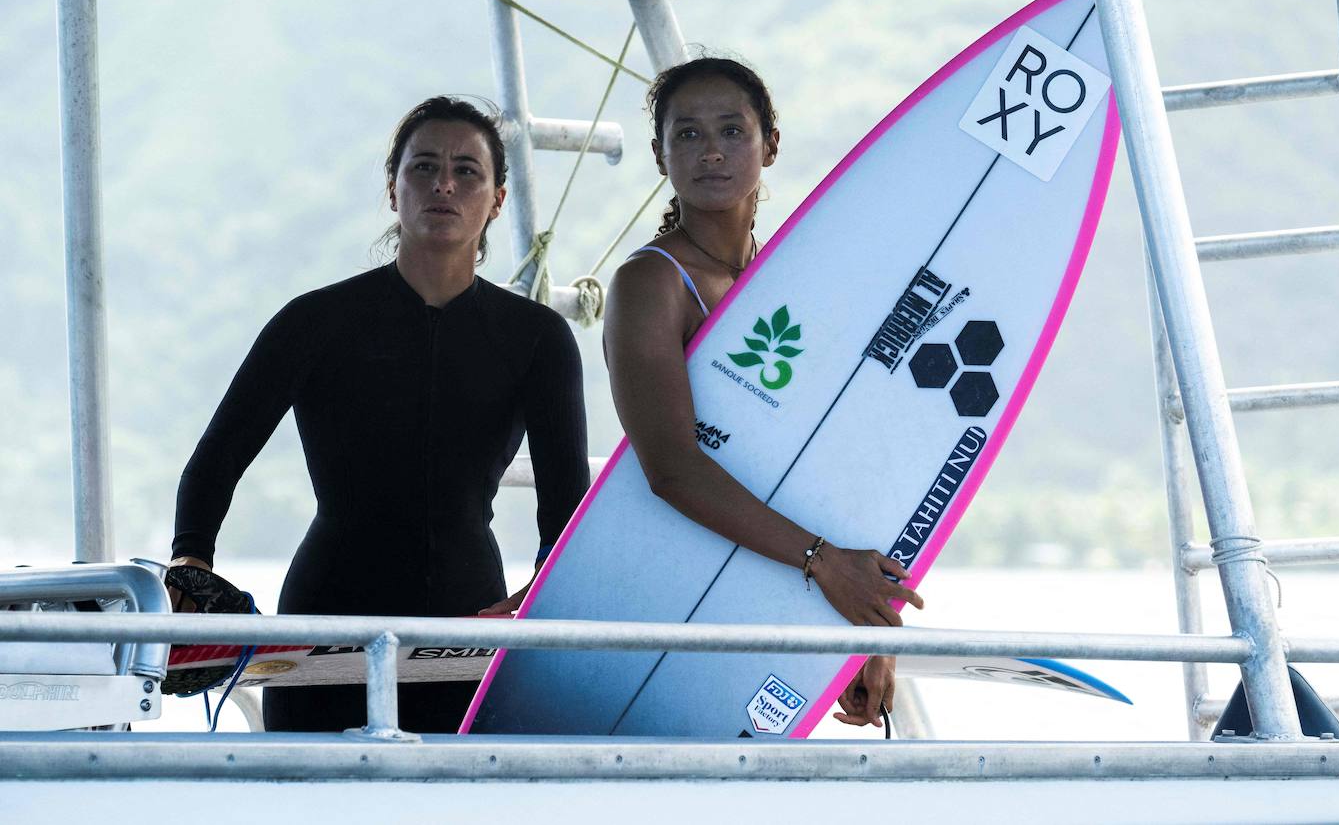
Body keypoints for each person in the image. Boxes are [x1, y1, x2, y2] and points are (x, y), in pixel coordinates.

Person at [169, 96, 589, 733]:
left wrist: (537, 598)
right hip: (325, 618)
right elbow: (216, 460)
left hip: (466, 623)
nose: (443, 183)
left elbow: (565, 504)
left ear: (498, 199)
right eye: (423, 167)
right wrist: (189, 566)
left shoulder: (537, 337)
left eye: (467, 171)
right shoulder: (314, 321)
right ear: (393, 190)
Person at [602, 57, 922, 730]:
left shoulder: (791, 281)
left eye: (731, 130)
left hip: (774, 579)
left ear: (770, 144)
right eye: (686, 135)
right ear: (661, 157)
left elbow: (828, 463)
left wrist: (866, 637)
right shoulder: (649, 283)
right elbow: (671, 470)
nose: (711, 150)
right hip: (672, 586)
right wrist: (824, 565)